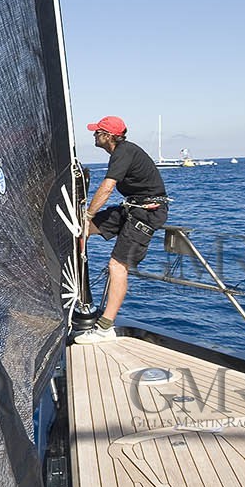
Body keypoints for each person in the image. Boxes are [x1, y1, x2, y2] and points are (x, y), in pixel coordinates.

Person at [72, 116, 168, 344]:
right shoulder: (121, 153)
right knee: (79, 230)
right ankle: (76, 293)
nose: (94, 135)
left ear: (108, 136)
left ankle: (105, 327)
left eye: (97, 132)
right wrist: (85, 223)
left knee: (117, 266)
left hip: (147, 212)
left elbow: (106, 188)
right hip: (131, 208)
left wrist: (88, 214)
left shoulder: (123, 152)